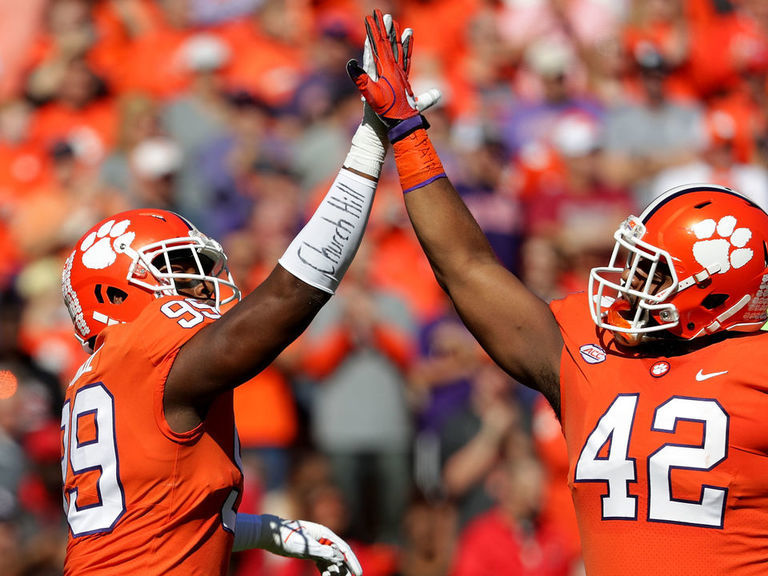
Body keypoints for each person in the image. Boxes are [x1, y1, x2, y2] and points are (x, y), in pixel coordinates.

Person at [350, 9, 768, 575]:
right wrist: (407, 134)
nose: (629, 284)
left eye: (654, 273)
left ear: (718, 292)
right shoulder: (592, 344)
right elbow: (466, 268)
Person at [58, 17, 439, 574]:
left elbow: (149, 526)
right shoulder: (146, 357)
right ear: (114, 294)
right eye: (175, 273)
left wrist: (267, 533)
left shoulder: (102, 379)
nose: (199, 286)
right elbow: (288, 299)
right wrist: (369, 147)